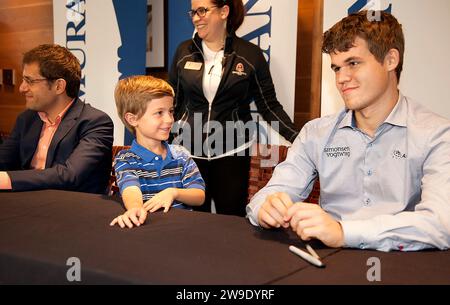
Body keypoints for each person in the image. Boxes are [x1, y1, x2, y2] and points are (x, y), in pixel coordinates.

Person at [247, 10, 450, 252]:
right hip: (328, 265)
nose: (341, 78)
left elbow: (441, 223)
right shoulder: (316, 133)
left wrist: (343, 231)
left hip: (405, 267)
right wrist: (267, 207)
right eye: (336, 68)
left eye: (353, 63)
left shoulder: (436, 134)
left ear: (390, 60)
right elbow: (265, 197)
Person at [169, 0, 299, 216]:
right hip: (189, 153)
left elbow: (269, 105)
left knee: (230, 221)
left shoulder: (250, 55)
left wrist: (299, 137)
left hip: (232, 152)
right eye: (193, 12)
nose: (195, 18)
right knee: (190, 223)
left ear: (224, 11)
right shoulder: (184, 51)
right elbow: (174, 103)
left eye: (202, 11)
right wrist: (163, 142)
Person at [0, 44, 113, 194]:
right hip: (28, 203)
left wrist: (7, 179)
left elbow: (69, 175)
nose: (22, 88)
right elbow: (4, 160)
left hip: (75, 208)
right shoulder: (26, 119)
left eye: (30, 81)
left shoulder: (96, 122)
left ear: (59, 86)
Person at [110, 76, 205, 229]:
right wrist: (135, 208)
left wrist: (173, 193)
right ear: (133, 119)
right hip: (149, 232)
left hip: (184, 230)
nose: (169, 120)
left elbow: (199, 196)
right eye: (159, 113)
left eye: (171, 111)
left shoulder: (181, 155)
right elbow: (130, 189)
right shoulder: (125, 160)